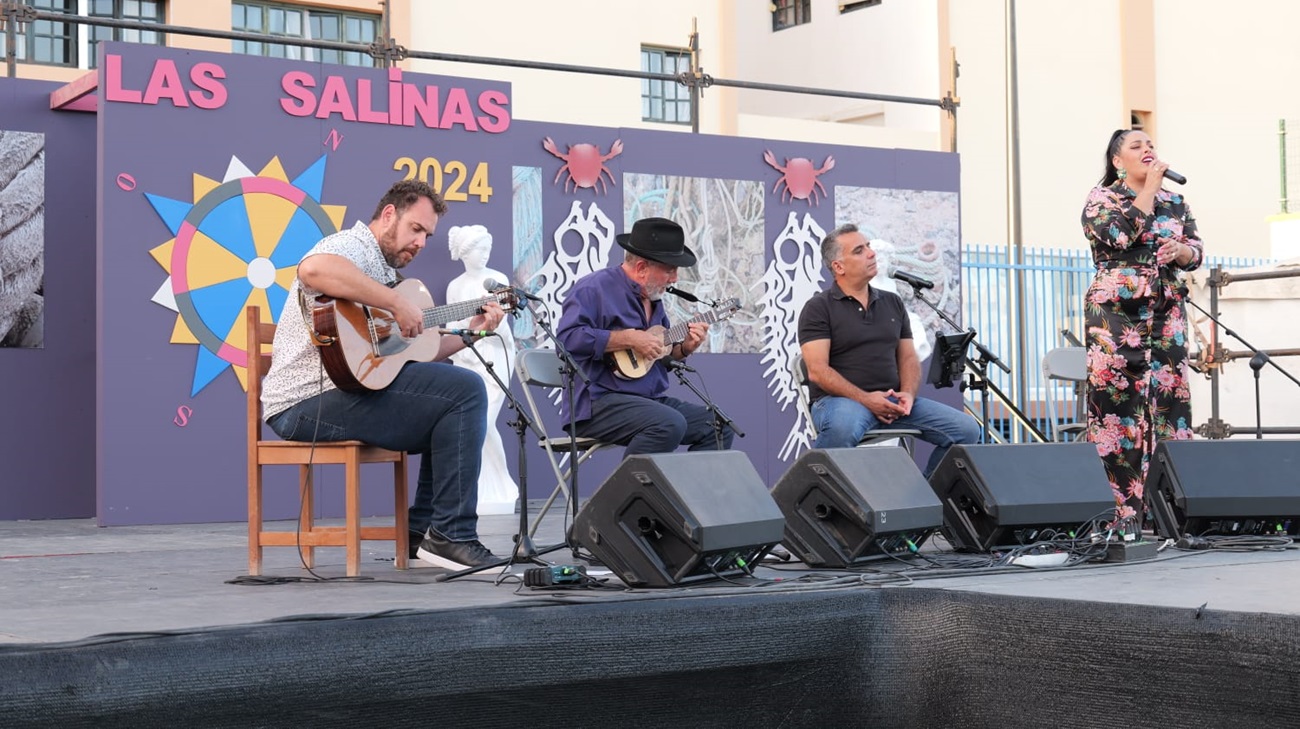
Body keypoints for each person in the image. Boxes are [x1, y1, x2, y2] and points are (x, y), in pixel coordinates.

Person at [260, 179, 507, 570]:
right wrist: (396, 303)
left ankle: (422, 534)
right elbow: (314, 268)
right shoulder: (354, 247)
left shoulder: (385, 274)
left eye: (427, 235)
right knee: (467, 390)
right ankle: (452, 536)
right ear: (389, 214)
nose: (421, 242)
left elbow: (420, 353)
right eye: (416, 229)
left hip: (346, 393)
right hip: (304, 401)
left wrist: (475, 331)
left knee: (449, 411)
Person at [1081, 129, 1203, 526]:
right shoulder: (1103, 199)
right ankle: (1120, 513)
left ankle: (1169, 511)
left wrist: (1181, 251)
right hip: (1116, 315)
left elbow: (1196, 251)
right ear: (1117, 161)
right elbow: (1118, 236)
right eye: (1137, 146)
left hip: (1166, 312)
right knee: (1120, 411)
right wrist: (1147, 190)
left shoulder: (1175, 201)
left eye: (1150, 144)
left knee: (1169, 407)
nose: (1147, 150)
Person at [798, 223, 981, 477]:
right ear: (838, 267)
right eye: (859, 251)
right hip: (842, 403)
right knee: (843, 427)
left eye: (869, 247)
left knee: (967, 429)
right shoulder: (818, 308)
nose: (871, 254)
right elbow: (817, 371)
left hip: (893, 400)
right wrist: (866, 399)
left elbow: (908, 357)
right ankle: (815, 495)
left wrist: (907, 394)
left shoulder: (892, 302)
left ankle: (920, 501)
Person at [555, 216, 734, 455]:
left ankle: (687, 492)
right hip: (597, 403)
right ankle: (630, 493)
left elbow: (654, 356)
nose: (675, 279)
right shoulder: (593, 288)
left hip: (648, 401)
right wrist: (627, 338)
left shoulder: (655, 297)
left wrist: (684, 349)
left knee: (718, 426)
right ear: (641, 268)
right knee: (669, 423)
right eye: (670, 270)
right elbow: (566, 341)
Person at [445, 224, 518, 516]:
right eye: (479, 249)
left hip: (496, 353)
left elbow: (504, 325)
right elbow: (452, 328)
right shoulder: (455, 285)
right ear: (465, 253)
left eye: (488, 248)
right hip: (466, 354)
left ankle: (501, 484)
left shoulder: (497, 279)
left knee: (483, 423)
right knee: (475, 423)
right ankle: (487, 485)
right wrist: (467, 344)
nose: (485, 254)